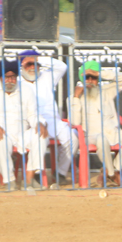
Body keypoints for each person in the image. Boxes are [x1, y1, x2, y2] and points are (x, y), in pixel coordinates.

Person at [0, 59, 46, 189]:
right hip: (1, 132)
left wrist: (39, 123)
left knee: (41, 134)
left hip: (22, 133)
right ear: (0, 78)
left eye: (13, 77)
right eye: (7, 77)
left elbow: (33, 114)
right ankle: (10, 180)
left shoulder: (26, 89)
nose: (10, 81)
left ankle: (29, 178)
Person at [69, 60, 122, 186]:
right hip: (90, 135)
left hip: (112, 132)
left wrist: (99, 73)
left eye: (94, 78)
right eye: (87, 77)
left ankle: (110, 171)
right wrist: (75, 98)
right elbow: (74, 122)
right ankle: (113, 175)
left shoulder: (106, 91)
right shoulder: (74, 97)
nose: (90, 80)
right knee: (102, 140)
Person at [18, 50, 75, 183]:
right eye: (28, 64)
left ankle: (60, 173)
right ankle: (36, 175)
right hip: (31, 123)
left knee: (73, 138)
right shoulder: (18, 83)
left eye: (35, 64)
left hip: (53, 122)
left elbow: (62, 66)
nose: (32, 67)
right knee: (38, 138)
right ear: (22, 67)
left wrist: (37, 59)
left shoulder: (46, 77)